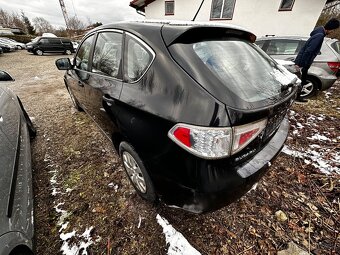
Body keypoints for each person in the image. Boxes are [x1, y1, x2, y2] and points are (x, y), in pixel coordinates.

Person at [294, 18, 340, 102]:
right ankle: (296, 97)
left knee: (301, 80)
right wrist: (302, 65)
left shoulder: (318, 32)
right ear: (330, 28)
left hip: (302, 62)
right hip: (303, 63)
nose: (332, 32)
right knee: (301, 80)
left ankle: (297, 96)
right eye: (333, 30)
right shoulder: (320, 35)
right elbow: (309, 51)